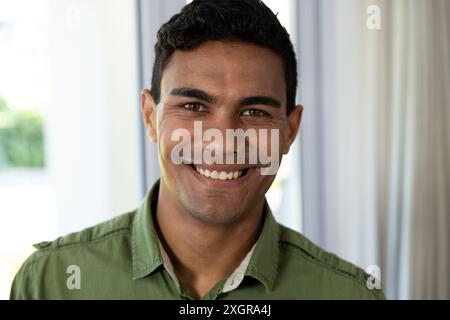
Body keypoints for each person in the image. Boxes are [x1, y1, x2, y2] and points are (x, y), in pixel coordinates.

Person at [10, 0, 384, 299]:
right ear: (150, 116)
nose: (222, 140)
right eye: (193, 107)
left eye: (254, 112)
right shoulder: (50, 284)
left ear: (290, 130)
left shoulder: (350, 295)